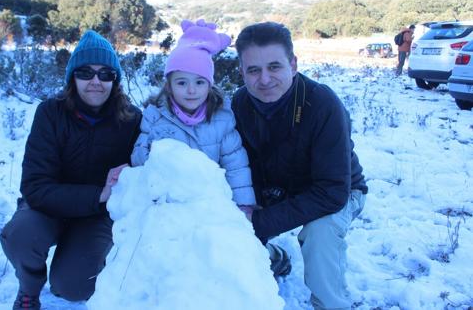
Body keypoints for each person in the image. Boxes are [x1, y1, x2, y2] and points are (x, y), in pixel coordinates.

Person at [0, 30, 142, 309]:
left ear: (116, 80)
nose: (96, 82)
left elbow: (142, 175)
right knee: (20, 235)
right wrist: (99, 193)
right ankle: (29, 289)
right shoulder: (50, 113)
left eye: (106, 74)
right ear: (71, 77)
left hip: (96, 217)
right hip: (47, 209)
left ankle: (75, 262)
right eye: (86, 72)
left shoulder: (132, 120)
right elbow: (34, 186)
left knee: (73, 287)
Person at [231, 22, 368, 310]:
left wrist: (260, 223)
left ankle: (332, 305)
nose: (265, 79)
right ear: (241, 71)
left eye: (274, 66)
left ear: (293, 65)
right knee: (226, 219)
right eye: (253, 70)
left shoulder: (322, 104)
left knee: (320, 233)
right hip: (276, 191)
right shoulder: (238, 104)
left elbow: (332, 192)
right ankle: (272, 258)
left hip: (340, 191)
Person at [131, 19, 257, 213]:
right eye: (182, 83)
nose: (191, 90)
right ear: (169, 86)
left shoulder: (222, 120)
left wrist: (244, 206)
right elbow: (140, 162)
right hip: (167, 205)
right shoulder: (155, 117)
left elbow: (236, 165)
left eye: (199, 82)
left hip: (211, 203)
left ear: (209, 85)